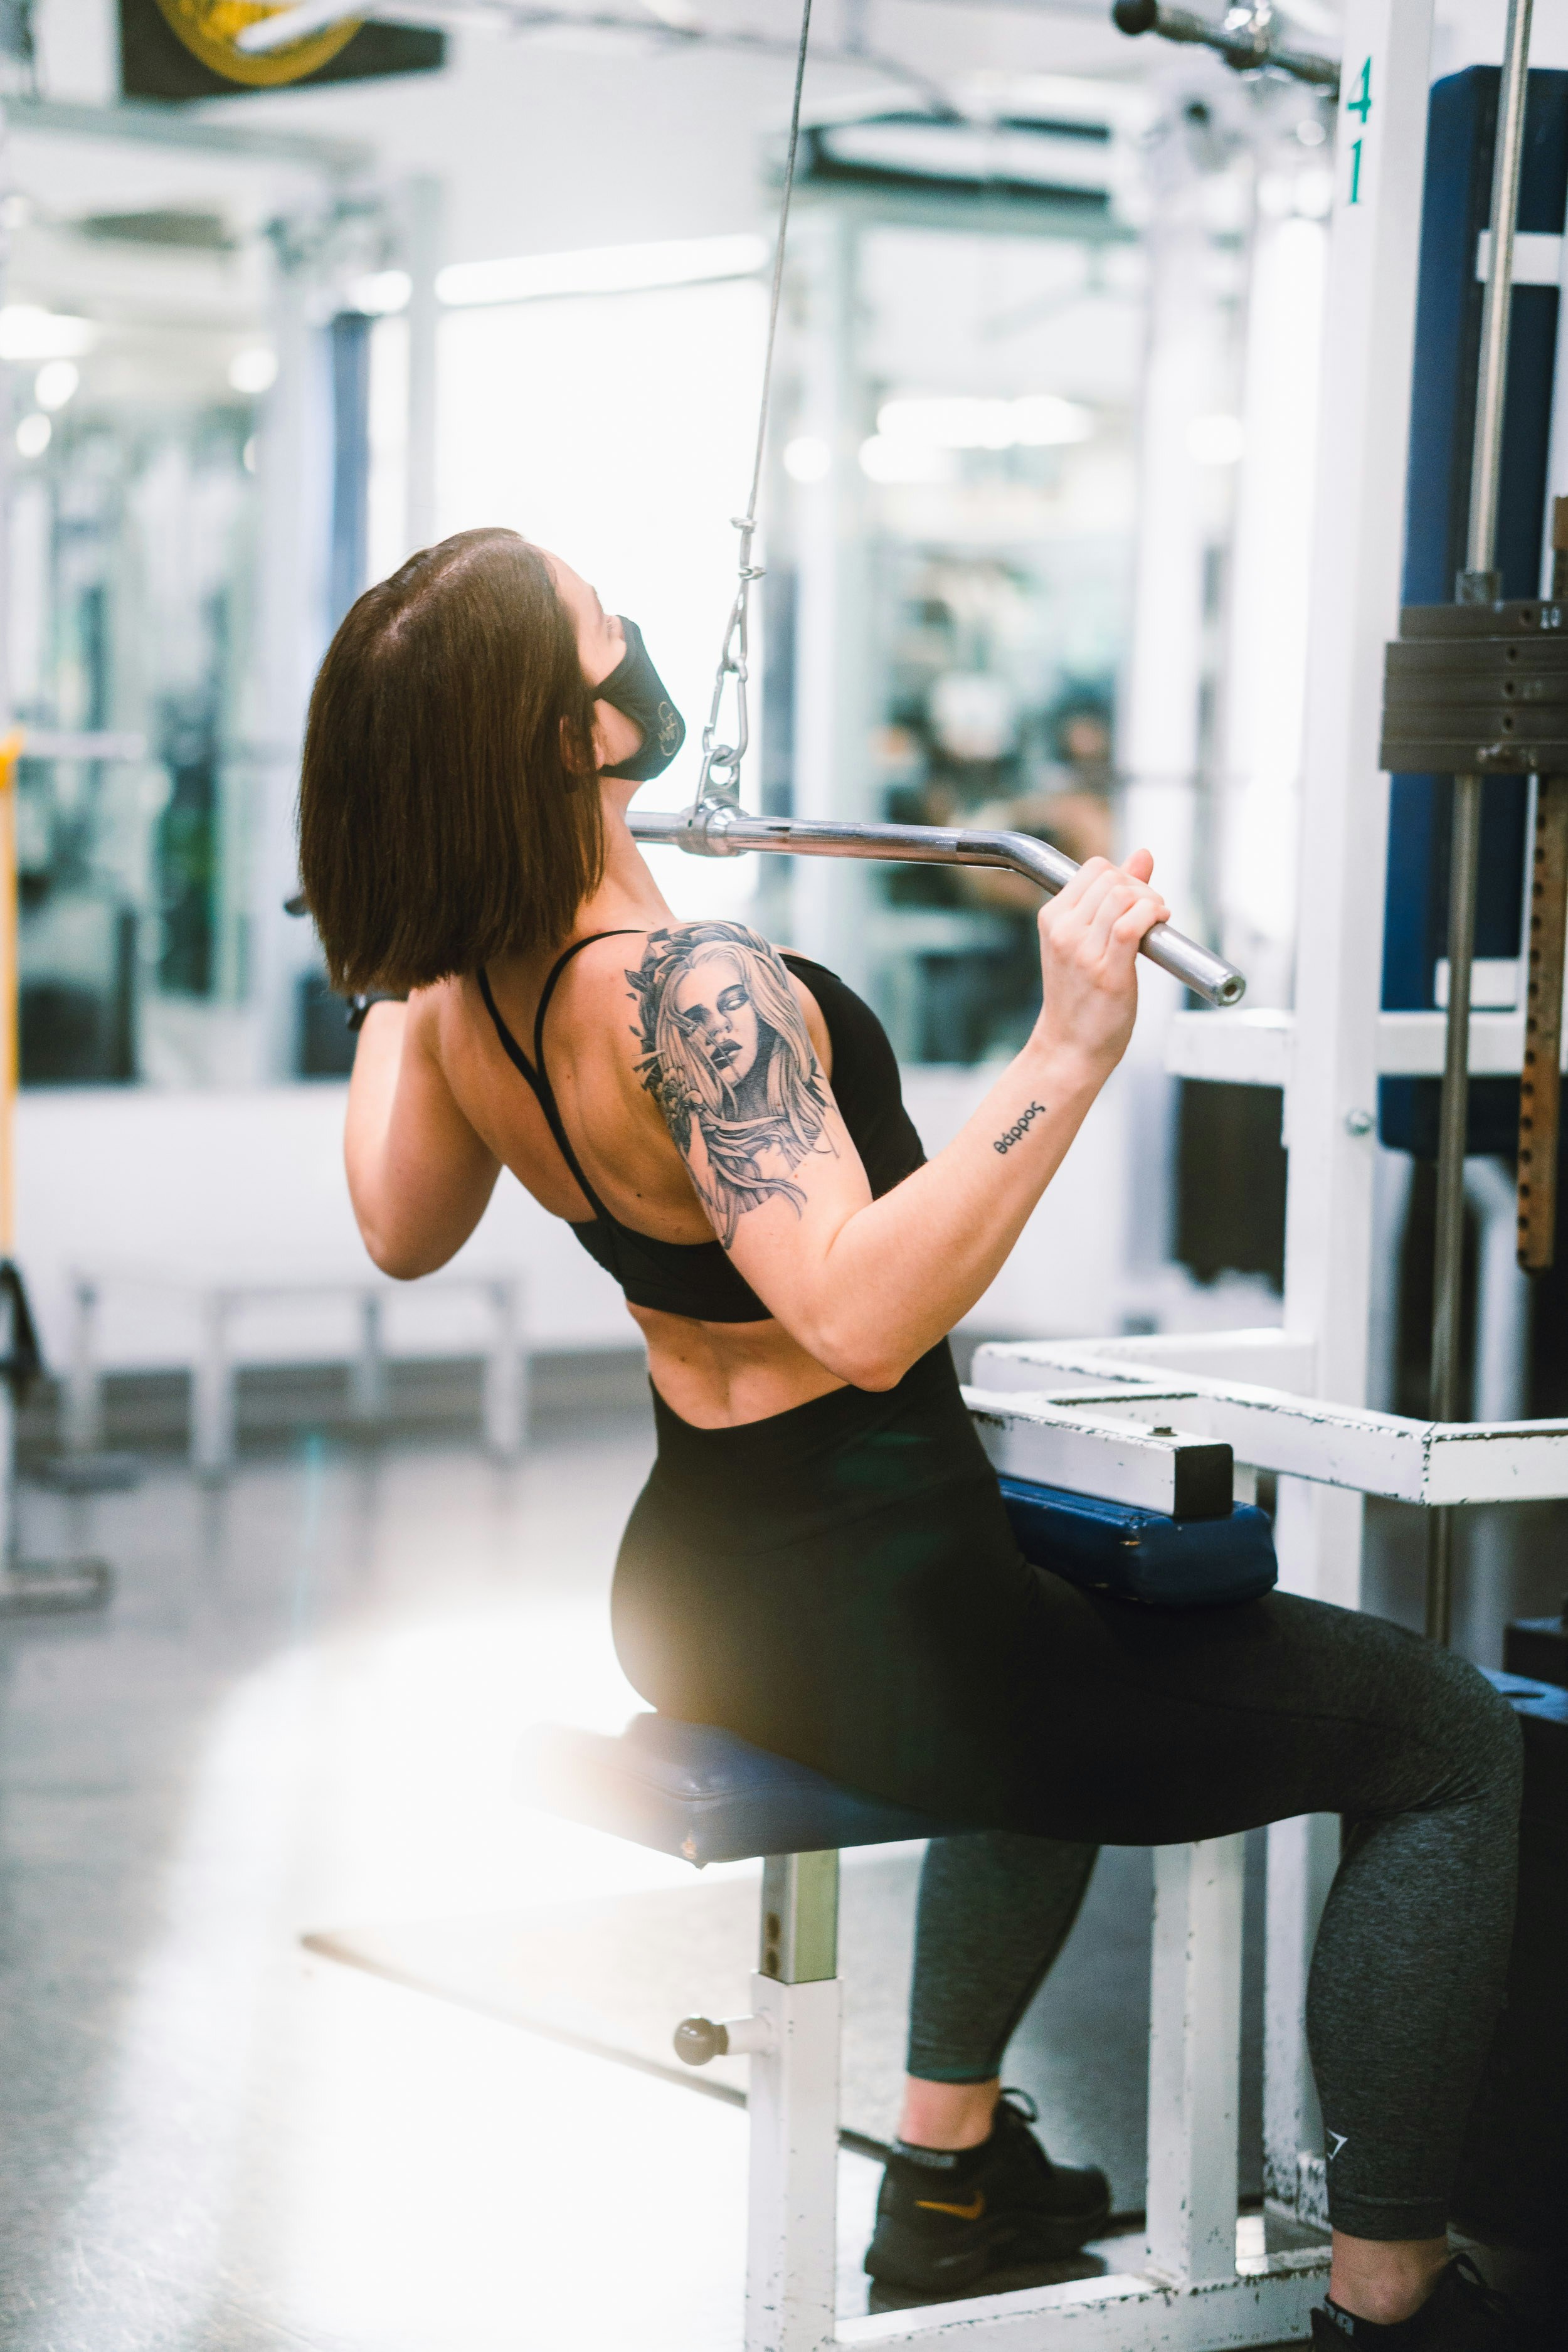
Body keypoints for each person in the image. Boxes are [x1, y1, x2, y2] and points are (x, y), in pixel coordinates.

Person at [302, 527, 1525, 2351]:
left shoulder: (463, 997)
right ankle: (1390, 2290)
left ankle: (949, 2171)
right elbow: (862, 1313)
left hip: (701, 1581)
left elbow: (400, 1231)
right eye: (601, 631)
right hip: (887, 1613)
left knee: (1106, 1623)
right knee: (1444, 1739)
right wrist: (1070, 1041)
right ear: (579, 736)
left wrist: (409, 948)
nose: (636, 638)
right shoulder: (687, 989)